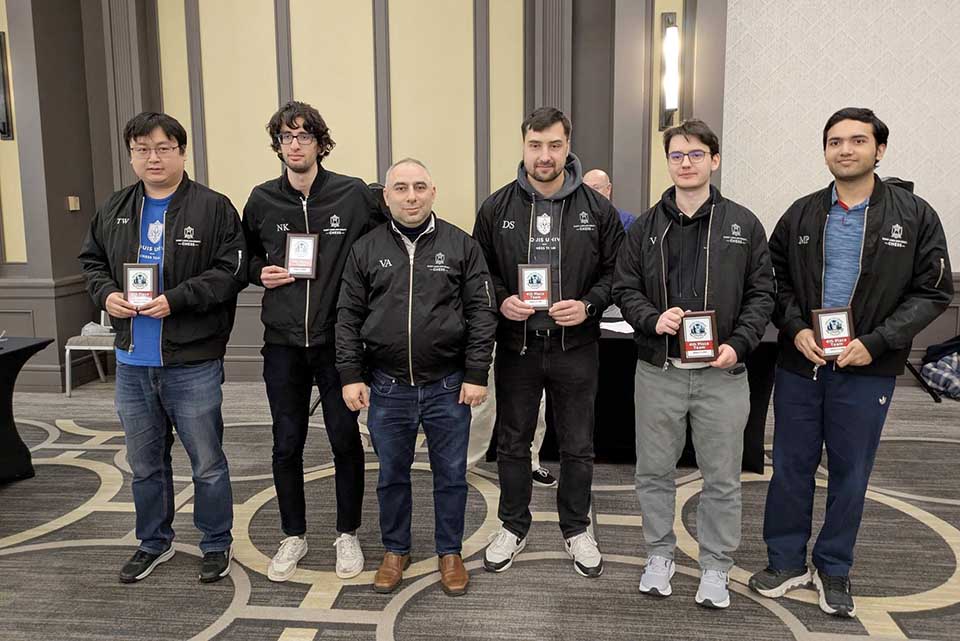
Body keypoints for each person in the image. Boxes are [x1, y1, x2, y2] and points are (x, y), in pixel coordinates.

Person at [749, 107, 954, 617]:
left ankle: (834, 567)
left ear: (879, 150)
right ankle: (785, 561)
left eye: (857, 141)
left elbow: (931, 293)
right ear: (825, 151)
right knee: (790, 468)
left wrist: (879, 341)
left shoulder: (914, 215)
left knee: (850, 473)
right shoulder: (801, 213)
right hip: (802, 365)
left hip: (868, 369)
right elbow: (775, 283)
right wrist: (795, 331)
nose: (845, 149)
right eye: (835, 141)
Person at [79, 111, 247, 584]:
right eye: (141, 149)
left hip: (191, 360)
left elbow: (231, 271)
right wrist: (104, 293)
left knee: (207, 461)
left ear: (181, 152)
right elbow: (91, 261)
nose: (152, 157)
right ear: (132, 155)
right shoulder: (114, 208)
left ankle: (216, 541)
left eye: (163, 148)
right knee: (144, 464)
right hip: (132, 362)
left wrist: (177, 300)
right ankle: (153, 541)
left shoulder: (213, 208)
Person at [613, 119, 774, 608]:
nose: (686, 163)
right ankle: (659, 555)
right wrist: (651, 318)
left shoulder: (743, 225)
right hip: (658, 372)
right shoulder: (645, 227)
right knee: (653, 473)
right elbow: (624, 288)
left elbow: (762, 294)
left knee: (722, 477)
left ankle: (715, 566)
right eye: (677, 155)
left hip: (723, 373)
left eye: (696, 154)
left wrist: (739, 344)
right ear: (669, 162)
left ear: (714, 160)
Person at [474, 106, 624, 578]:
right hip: (517, 347)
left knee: (578, 445)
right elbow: (481, 273)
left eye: (554, 145)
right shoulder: (496, 208)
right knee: (514, 443)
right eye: (536, 145)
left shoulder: (597, 210)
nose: (545, 155)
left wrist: (589, 306)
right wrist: (501, 300)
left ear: (568, 145)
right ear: (523, 146)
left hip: (576, 347)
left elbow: (617, 273)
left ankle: (577, 529)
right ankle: (513, 526)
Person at [337, 158, 496, 596]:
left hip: (448, 385)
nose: (411, 196)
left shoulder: (461, 246)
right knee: (392, 475)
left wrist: (477, 372)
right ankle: (395, 550)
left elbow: (483, 314)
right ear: (386, 195)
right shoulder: (365, 249)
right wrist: (351, 375)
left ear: (433, 192)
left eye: (420, 186)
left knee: (450, 475)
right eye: (401, 188)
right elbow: (347, 317)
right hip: (387, 387)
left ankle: (450, 551)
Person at [241, 101, 385, 582]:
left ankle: (347, 534)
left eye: (304, 136)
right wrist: (258, 272)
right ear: (278, 145)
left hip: (338, 343)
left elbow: (389, 241)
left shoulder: (353, 195)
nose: (295, 144)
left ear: (321, 143)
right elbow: (240, 259)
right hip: (282, 344)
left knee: (345, 440)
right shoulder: (262, 199)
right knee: (287, 443)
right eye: (286, 137)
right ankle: (293, 535)